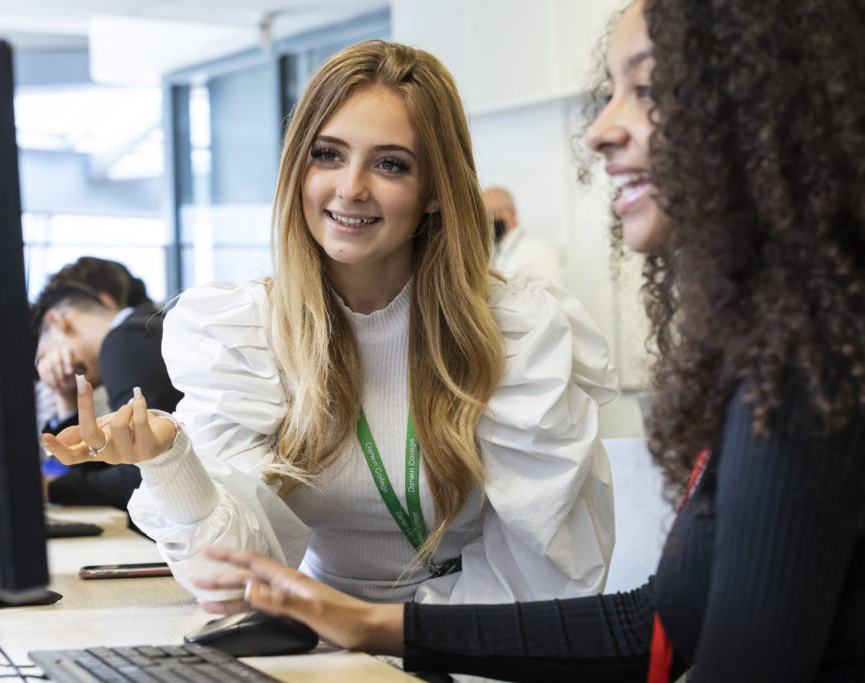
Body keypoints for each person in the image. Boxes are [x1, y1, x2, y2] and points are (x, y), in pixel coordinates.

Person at [185, 1, 865, 681]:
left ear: (769, 117)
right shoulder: (835, 346)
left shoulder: (812, 380)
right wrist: (370, 623)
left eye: (645, 91)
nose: (599, 128)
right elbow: (647, 627)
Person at [41, 40, 617, 608]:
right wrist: (169, 463)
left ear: (437, 190)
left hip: (472, 654)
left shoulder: (516, 332)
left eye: (391, 164)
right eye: (328, 154)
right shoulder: (248, 332)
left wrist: (388, 640)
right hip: (320, 648)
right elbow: (229, 584)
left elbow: (545, 578)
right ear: (298, 168)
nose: (350, 188)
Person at [33, 279, 182, 509]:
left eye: (44, 353)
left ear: (56, 321)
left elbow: (142, 474)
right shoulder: (144, 328)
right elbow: (107, 457)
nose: (48, 366)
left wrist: (49, 488)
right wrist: (65, 394)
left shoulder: (125, 341)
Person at [484, 186, 562, 284]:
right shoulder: (492, 252)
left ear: (512, 214)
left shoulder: (537, 251)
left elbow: (545, 296)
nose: (487, 221)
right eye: (483, 216)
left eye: (492, 213)